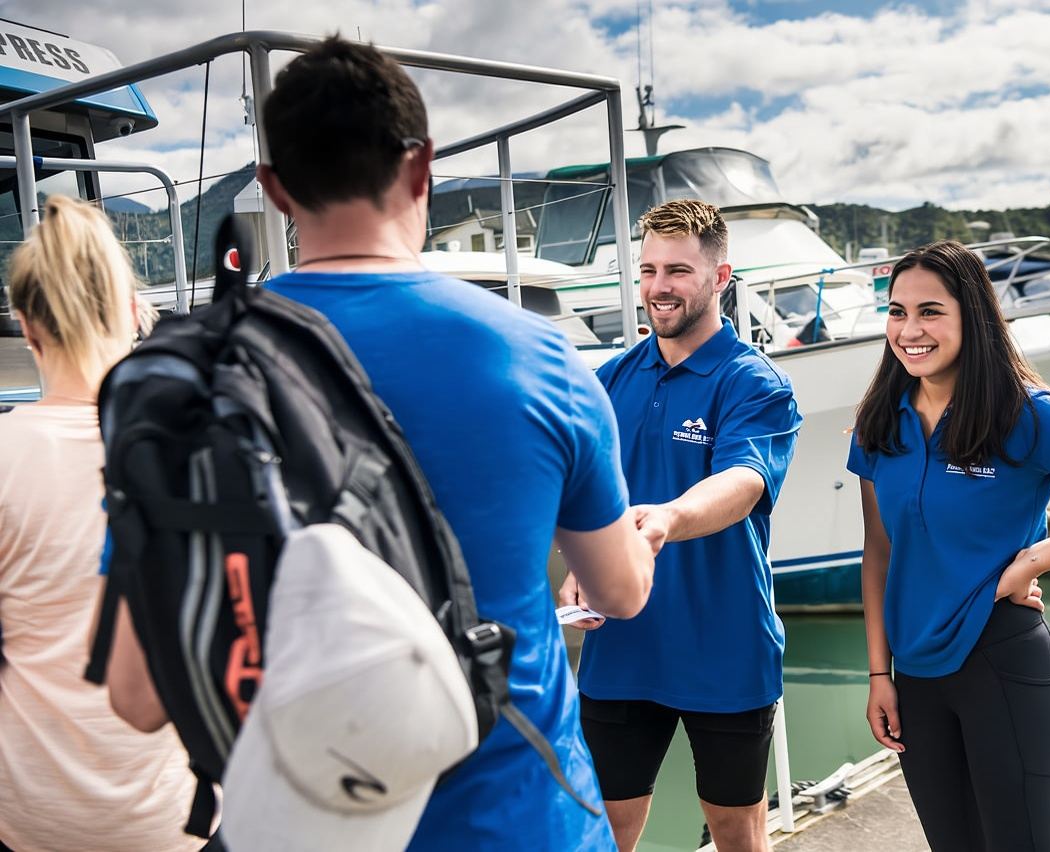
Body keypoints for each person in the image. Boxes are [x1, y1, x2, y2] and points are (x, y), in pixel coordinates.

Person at [105, 37, 654, 851]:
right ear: (423, 167)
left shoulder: (190, 378)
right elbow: (617, 595)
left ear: (274, 188)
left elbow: (136, 694)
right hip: (516, 822)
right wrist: (642, 539)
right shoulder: (539, 357)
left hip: (303, 826)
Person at [848, 240, 1050, 851]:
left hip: (1003, 659)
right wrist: (878, 672)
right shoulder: (881, 420)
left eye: (930, 311)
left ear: (971, 317)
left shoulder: (1025, 413)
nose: (910, 329)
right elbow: (879, 551)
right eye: (896, 311)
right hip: (915, 674)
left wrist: (1035, 558)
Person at [561, 198, 802, 852]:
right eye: (648, 270)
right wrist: (580, 567)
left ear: (720, 278)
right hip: (623, 645)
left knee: (735, 830)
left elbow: (744, 482)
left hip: (726, 647)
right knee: (604, 829)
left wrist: (666, 517)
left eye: (678, 271)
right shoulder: (610, 379)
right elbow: (579, 490)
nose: (659, 287)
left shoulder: (754, 382)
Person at [0, 196, 201, 850]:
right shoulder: (191, 449)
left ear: (26, 328)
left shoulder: (6, 454)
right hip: (177, 814)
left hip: (30, 815)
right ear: (134, 313)